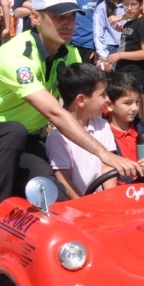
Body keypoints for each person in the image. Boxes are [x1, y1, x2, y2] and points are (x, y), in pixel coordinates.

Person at [0, 0, 141, 228]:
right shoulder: (17, 56)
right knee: (12, 130)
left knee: (51, 191)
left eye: (72, 16)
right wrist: (104, 153)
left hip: (25, 139)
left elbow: (84, 101)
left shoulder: (70, 54)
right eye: (58, 17)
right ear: (35, 18)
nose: (68, 24)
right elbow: (55, 112)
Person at [47, 64, 122, 200]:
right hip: (77, 204)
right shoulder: (58, 136)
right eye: (102, 94)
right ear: (81, 100)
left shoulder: (103, 125)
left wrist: (111, 200)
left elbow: (107, 167)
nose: (107, 100)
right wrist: (83, 206)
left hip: (102, 201)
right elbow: (64, 180)